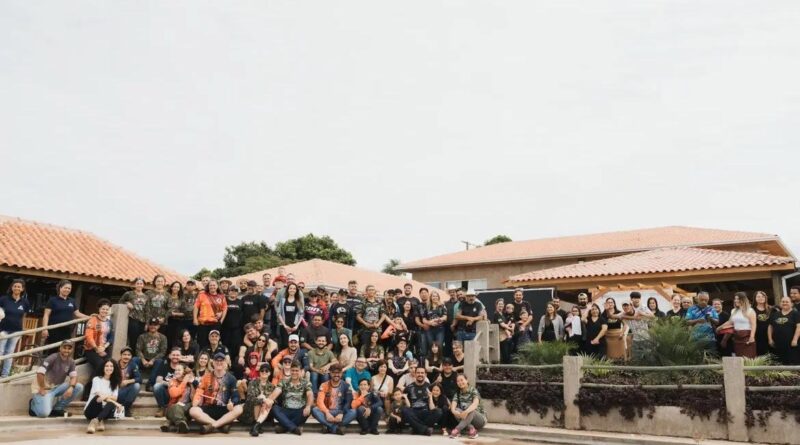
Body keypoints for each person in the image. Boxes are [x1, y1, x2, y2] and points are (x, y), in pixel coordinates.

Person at [189, 352, 243, 434]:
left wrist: (232, 403)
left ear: (225, 363)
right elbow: (199, 391)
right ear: (213, 363)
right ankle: (221, 425)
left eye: (221, 361)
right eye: (217, 360)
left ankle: (212, 426)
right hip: (209, 408)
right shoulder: (206, 377)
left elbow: (236, 396)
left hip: (224, 408)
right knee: (193, 410)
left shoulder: (231, 378)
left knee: (239, 408)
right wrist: (196, 400)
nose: (219, 362)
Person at [30, 340, 84, 418]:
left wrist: (71, 388)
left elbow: (74, 377)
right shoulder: (53, 357)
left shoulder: (71, 362)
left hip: (56, 388)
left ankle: (58, 408)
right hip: (44, 389)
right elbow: (40, 373)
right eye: (64, 348)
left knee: (79, 387)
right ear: (60, 348)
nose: (66, 350)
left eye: (69, 348)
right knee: (44, 414)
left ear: (72, 350)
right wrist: (42, 388)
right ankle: (33, 404)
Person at [266, 360, 314, 435]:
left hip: (299, 412)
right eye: (293, 370)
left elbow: (310, 394)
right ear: (290, 371)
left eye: (296, 370)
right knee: (274, 408)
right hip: (286, 411)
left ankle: (284, 427)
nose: (294, 372)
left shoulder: (306, 382)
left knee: (311, 407)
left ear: (300, 371)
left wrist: (308, 406)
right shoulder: (283, 381)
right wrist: (269, 400)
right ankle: (294, 428)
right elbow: (276, 391)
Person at [312, 363, 356, 434]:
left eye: (338, 373)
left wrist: (341, 413)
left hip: (341, 411)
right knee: (314, 410)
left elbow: (348, 402)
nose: (336, 375)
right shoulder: (324, 385)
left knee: (354, 412)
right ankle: (337, 428)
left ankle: (328, 426)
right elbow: (320, 402)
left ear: (341, 373)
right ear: (330, 373)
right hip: (328, 411)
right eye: (334, 373)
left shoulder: (347, 386)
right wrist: (327, 413)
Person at [82, 299, 113, 400]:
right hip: (91, 349)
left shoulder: (109, 322)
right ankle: (87, 392)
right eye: (103, 309)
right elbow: (89, 336)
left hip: (104, 348)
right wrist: (96, 348)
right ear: (99, 309)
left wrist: (104, 347)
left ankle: (101, 392)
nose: (105, 311)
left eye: (107, 309)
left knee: (109, 367)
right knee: (100, 366)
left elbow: (111, 337)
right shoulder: (93, 320)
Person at [0, 279, 31, 377]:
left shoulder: (25, 302)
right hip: (3, 330)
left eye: (19, 286)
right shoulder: (3, 299)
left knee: (10, 353)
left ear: (22, 289)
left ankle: (5, 375)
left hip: (16, 331)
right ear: (11, 288)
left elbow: (24, 316)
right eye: (15, 286)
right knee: (0, 352)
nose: (17, 288)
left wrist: (23, 329)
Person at [42, 280, 87, 345]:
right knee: (52, 348)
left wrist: (90, 317)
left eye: (69, 288)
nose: (67, 290)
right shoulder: (52, 300)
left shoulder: (72, 301)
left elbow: (77, 313)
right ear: (60, 288)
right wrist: (45, 329)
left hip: (67, 330)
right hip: (53, 329)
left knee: (65, 347)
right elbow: (46, 315)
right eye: (65, 288)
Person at [85, 359, 123, 434]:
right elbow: (99, 395)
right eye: (107, 366)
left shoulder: (115, 383)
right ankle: (99, 421)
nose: (109, 368)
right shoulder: (96, 379)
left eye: (111, 366)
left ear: (114, 368)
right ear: (103, 367)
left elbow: (115, 398)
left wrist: (110, 399)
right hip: (91, 411)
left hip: (105, 411)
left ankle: (95, 421)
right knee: (98, 398)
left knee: (110, 403)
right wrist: (115, 403)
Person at [402, 366, 441, 435]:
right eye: (418, 373)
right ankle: (424, 429)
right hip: (414, 413)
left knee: (438, 411)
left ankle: (417, 428)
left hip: (426, 412)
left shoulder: (429, 387)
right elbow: (405, 403)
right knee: (405, 410)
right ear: (415, 374)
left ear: (425, 374)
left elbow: (432, 406)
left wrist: (430, 397)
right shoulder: (409, 387)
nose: (420, 374)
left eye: (422, 373)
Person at [717, 292, 757, 358]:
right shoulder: (733, 310)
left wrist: (752, 337)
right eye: (735, 299)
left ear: (743, 299)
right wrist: (720, 327)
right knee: (739, 358)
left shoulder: (750, 311)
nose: (736, 300)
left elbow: (753, 324)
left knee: (748, 358)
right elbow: (730, 322)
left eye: (738, 299)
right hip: (737, 337)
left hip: (747, 336)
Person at [135, 318, 168, 391]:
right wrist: (143, 360)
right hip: (144, 360)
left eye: (155, 325)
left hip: (155, 361)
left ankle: (150, 384)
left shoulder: (163, 338)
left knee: (160, 361)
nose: (153, 326)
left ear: (158, 326)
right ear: (148, 325)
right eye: (151, 324)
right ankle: (136, 380)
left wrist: (153, 360)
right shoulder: (142, 336)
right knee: (134, 360)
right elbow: (138, 350)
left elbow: (163, 352)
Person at [448, 374, 485, 439]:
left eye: (462, 380)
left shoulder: (473, 390)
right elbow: (453, 406)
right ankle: (472, 429)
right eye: (458, 381)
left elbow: (475, 404)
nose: (460, 382)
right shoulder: (458, 393)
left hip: (479, 419)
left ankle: (457, 429)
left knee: (471, 409)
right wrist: (454, 412)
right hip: (466, 418)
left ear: (467, 380)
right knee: (456, 410)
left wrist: (466, 412)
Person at [242, 363, 275, 436]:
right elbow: (250, 398)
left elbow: (274, 401)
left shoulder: (272, 386)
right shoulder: (253, 382)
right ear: (259, 372)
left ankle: (256, 426)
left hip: (264, 412)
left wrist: (266, 401)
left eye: (266, 371)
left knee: (269, 402)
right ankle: (257, 424)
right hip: (251, 412)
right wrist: (263, 400)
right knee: (260, 400)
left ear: (269, 373)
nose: (264, 372)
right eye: (262, 370)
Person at [160, 363, 194, 433]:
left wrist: (191, 382)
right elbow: (174, 394)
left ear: (184, 372)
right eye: (175, 370)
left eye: (179, 370)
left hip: (186, 409)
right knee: (176, 407)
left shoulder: (190, 382)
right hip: (173, 408)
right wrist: (184, 382)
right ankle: (181, 423)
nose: (176, 372)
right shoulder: (172, 381)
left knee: (191, 405)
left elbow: (194, 398)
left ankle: (170, 422)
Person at [194, 279, 227, 350]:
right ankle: (203, 356)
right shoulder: (202, 295)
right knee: (202, 343)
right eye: (210, 285)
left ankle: (214, 356)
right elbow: (196, 307)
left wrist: (221, 320)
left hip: (215, 324)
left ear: (217, 286)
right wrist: (195, 319)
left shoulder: (221, 296)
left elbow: (225, 308)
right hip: (202, 324)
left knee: (214, 343)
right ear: (208, 286)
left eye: (214, 285)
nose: (212, 287)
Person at [768, 296, 800, 365]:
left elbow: (799, 327)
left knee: (793, 363)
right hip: (777, 344)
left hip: (791, 344)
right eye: (783, 302)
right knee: (779, 363)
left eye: (787, 302)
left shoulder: (796, 314)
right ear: (780, 303)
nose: (784, 303)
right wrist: (770, 339)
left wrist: (795, 339)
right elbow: (770, 327)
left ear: (791, 304)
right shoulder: (774, 314)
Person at [153, 348, 184, 413]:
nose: (175, 357)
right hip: (166, 392)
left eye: (177, 355)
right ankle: (162, 408)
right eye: (173, 355)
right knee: (157, 386)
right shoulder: (164, 365)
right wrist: (169, 383)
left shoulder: (184, 367)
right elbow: (158, 380)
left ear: (181, 356)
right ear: (169, 356)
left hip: (179, 393)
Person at [121, 278, 148, 347]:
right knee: (133, 338)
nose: (139, 285)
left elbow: (147, 310)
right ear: (135, 285)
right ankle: (132, 352)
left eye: (141, 283)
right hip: (133, 318)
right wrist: (127, 303)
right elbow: (120, 302)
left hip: (142, 320)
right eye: (137, 283)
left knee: (141, 339)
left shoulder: (146, 297)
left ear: (143, 285)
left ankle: (138, 353)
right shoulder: (129, 294)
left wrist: (147, 323)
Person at [277, 282, 304, 348]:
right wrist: (285, 325)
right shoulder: (283, 300)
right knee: (284, 344)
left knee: (293, 345)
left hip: (294, 327)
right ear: (288, 290)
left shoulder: (298, 301)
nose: (292, 290)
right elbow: (279, 313)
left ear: (296, 290)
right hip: (284, 326)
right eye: (290, 288)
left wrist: (296, 326)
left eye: (294, 289)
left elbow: (301, 315)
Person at [116, 347, 141, 417]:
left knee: (137, 385)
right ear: (121, 355)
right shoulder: (115, 365)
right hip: (115, 391)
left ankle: (126, 408)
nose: (126, 357)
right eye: (124, 354)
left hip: (126, 390)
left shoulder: (133, 365)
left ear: (131, 356)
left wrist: (127, 381)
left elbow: (139, 378)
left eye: (129, 355)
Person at [221, 286, 244, 358]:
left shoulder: (240, 302)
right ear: (228, 292)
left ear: (237, 293)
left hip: (236, 328)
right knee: (225, 344)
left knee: (235, 345)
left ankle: (234, 360)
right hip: (225, 328)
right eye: (231, 290)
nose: (233, 292)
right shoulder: (224, 301)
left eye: (235, 291)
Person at [165, 281, 185, 348]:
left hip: (176, 321)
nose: (176, 288)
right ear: (171, 287)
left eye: (177, 287)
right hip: (166, 321)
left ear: (179, 289)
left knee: (174, 339)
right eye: (174, 286)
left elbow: (184, 313)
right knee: (166, 338)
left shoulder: (181, 299)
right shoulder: (166, 297)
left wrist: (175, 314)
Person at [753, 291, 772, 357]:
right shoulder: (752, 310)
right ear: (755, 298)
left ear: (765, 298)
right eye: (758, 297)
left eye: (763, 296)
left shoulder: (771, 309)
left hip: (770, 335)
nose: (761, 298)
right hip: (757, 336)